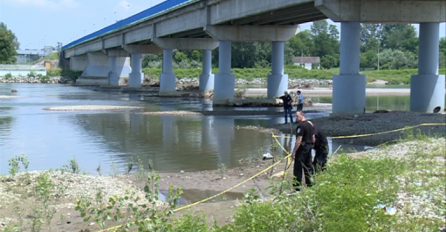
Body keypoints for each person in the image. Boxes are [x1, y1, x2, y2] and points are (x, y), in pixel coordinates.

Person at [291, 111, 314, 191]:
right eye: (295, 116)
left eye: (297, 116)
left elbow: (299, 140)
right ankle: (310, 185)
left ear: (302, 116)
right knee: (308, 167)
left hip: (302, 148)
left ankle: (297, 188)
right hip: (309, 147)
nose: (296, 118)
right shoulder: (310, 125)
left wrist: (294, 151)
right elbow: (313, 137)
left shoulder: (301, 126)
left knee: (298, 168)